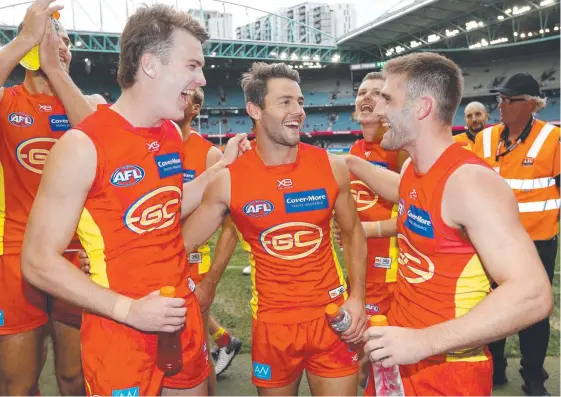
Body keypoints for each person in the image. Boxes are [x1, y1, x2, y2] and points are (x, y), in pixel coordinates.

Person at [21, 5, 248, 396]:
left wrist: (217, 170)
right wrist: (129, 310)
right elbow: (37, 261)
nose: (202, 78)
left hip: (181, 316)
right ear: (150, 65)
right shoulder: (82, 146)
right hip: (120, 331)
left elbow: (166, 206)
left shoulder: (169, 135)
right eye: (193, 65)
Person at [345, 52, 553, 396]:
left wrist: (423, 341)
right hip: (401, 353)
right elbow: (408, 193)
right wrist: (350, 163)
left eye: (387, 99)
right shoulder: (414, 169)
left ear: (422, 107)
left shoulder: (469, 182)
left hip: (447, 370)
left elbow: (533, 294)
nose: (377, 110)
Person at [182, 62, 367, 396]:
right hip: (273, 327)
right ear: (255, 109)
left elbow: (353, 233)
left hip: (331, 319)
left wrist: (357, 298)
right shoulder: (228, 181)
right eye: (285, 102)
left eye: (299, 101)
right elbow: (180, 244)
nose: (298, 111)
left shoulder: (331, 167)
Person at [0, 0, 105, 394]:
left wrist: (57, 71)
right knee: (18, 381)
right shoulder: (7, 102)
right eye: (49, 37)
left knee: (75, 377)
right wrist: (25, 36)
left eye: (64, 40)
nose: (57, 44)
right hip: (13, 252)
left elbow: (104, 139)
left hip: (76, 254)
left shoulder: (90, 103)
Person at [474, 72, 560, 395]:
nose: (502, 105)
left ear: (531, 105)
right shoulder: (483, 139)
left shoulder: (552, 140)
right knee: (493, 306)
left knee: (534, 311)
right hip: (491, 242)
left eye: (509, 100)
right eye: (500, 99)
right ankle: (494, 370)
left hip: (536, 244)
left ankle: (533, 378)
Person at [333, 71, 407, 388]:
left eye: (376, 93)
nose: (366, 97)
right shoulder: (354, 149)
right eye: (362, 91)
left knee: (381, 361)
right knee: (359, 356)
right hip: (359, 272)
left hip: (391, 276)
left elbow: (417, 216)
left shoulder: (400, 149)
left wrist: (367, 229)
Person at [177, 87, 242, 385]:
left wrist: (211, 281)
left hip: (191, 264)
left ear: (196, 109)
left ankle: (221, 341)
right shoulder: (145, 145)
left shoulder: (209, 155)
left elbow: (231, 226)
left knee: (196, 353)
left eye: (185, 94)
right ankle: (225, 339)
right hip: (149, 264)